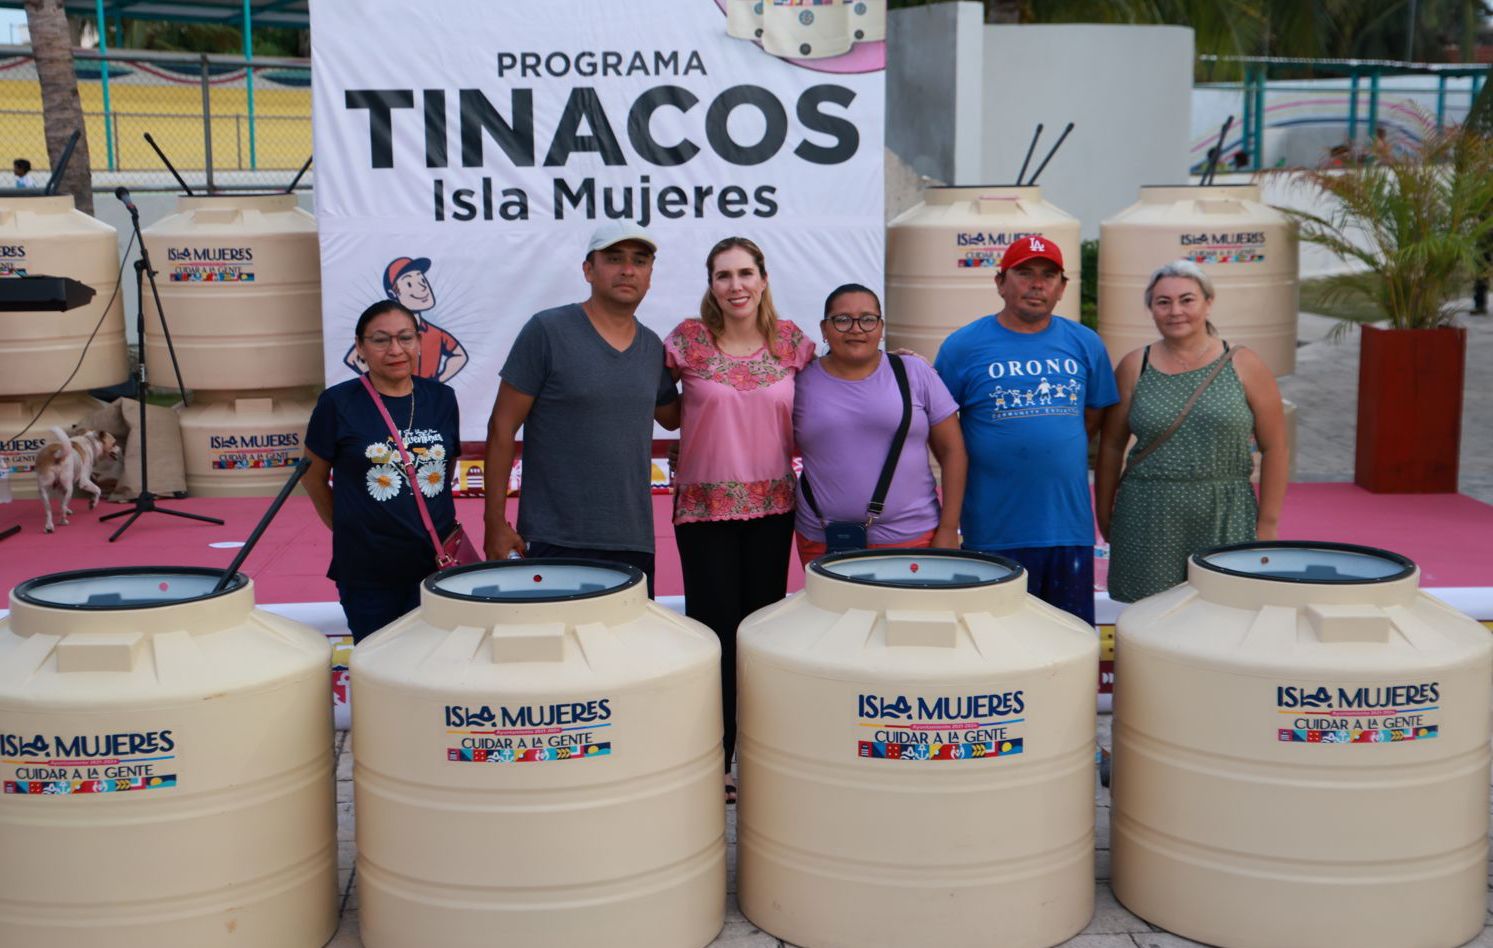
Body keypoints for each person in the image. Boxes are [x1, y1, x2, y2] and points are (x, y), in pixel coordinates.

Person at [664, 237, 815, 800]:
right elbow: (656, 404)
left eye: (745, 273)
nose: (736, 285)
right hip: (702, 514)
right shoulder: (686, 342)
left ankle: (762, 752)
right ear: (711, 284)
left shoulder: (794, 344)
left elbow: (838, 388)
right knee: (714, 636)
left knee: (758, 638)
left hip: (774, 510)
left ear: (764, 278)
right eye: (723, 275)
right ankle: (714, 757)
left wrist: (901, 365)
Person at [483, 220, 680, 595]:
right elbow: (502, 428)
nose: (627, 269)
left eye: (639, 261)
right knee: (555, 652)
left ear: (650, 275)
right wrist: (494, 522)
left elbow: (676, 417)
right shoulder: (547, 330)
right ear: (588, 269)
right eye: (614, 258)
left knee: (630, 655)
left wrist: (727, 368)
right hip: (553, 539)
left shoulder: (653, 347)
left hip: (632, 542)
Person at [934, 235, 1118, 626]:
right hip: (993, 531)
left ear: (1062, 288)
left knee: (1069, 641)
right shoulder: (962, 347)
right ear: (1001, 282)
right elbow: (941, 432)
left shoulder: (1086, 344)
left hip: (1066, 529)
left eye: (1048, 275)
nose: (1037, 284)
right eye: (1025, 273)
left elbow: (1092, 420)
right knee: (998, 646)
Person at [1095, 260, 1287, 603]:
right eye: (1163, 302)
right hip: (1148, 513)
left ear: (1208, 302)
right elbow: (1110, 446)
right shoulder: (1134, 365)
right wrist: (1105, 513)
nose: (1175, 311)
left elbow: (1275, 448)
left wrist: (1268, 524)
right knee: (1148, 616)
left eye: (1187, 300)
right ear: (1151, 309)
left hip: (1225, 512)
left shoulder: (1243, 363)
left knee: (1224, 611)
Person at [304, 300, 461, 642]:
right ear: (360, 347)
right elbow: (312, 475)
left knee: (435, 664)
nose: (395, 350)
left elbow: (445, 469)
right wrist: (346, 524)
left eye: (405, 337)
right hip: (368, 569)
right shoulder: (338, 403)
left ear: (419, 342)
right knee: (378, 664)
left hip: (435, 566)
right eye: (380, 340)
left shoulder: (442, 399)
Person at [794, 282, 966, 563]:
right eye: (842, 320)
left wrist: (948, 528)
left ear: (881, 327)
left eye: (867, 319)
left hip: (913, 538)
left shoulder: (914, 372)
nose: (856, 328)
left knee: (911, 609)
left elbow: (953, 451)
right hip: (823, 540)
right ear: (824, 329)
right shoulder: (799, 382)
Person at [343, 256, 469, 382]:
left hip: (425, 397)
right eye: (409, 284)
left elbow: (460, 355)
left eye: (422, 280)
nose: (421, 287)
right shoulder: (382, 329)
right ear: (393, 293)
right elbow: (353, 357)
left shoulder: (435, 332)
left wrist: (437, 381)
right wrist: (378, 380)